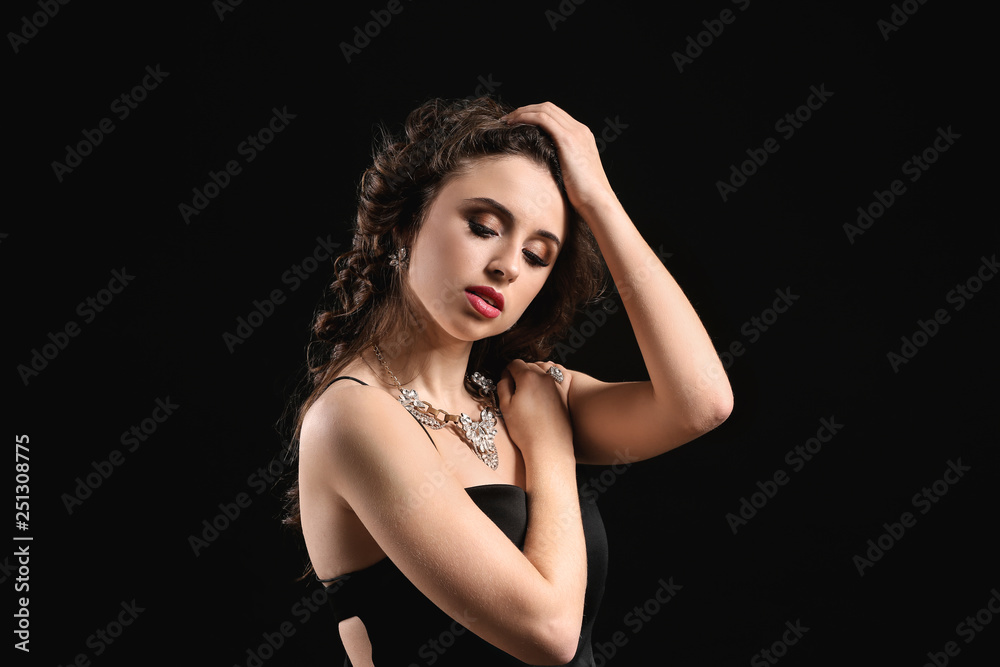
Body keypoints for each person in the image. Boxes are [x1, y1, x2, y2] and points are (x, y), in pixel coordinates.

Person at [282, 96, 733, 666]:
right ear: (404, 223)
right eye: (483, 226)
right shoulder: (353, 416)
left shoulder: (522, 393)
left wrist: (599, 200)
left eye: (538, 254)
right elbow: (548, 633)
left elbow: (702, 403)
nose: (508, 265)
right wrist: (547, 446)